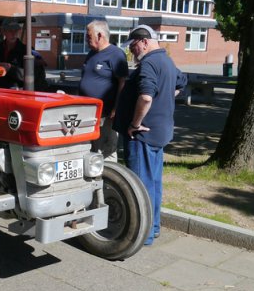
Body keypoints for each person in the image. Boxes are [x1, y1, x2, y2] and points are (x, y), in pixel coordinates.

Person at [114, 24, 187, 245]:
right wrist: (166, 95)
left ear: (144, 42)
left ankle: (141, 235)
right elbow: (181, 82)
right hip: (159, 132)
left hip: (142, 137)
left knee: (140, 186)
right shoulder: (166, 61)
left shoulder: (149, 63)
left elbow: (146, 97)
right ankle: (153, 228)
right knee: (154, 183)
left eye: (133, 46)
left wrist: (135, 123)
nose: (131, 50)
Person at [79, 20, 128, 162]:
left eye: (88, 36)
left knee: (107, 149)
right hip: (88, 112)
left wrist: (116, 109)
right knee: (92, 147)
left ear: (100, 35)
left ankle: (109, 174)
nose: (86, 39)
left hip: (106, 114)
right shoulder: (91, 53)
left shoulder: (116, 54)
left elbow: (122, 83)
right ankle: (93, 172)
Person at [0, 21, 48, 91]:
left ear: (19, 31)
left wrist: (11, 69)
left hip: (17, 90)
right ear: (4, 32)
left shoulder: (27, 51)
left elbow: (33, 76)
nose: (14, 34)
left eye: (16, 30)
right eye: (10, 31)